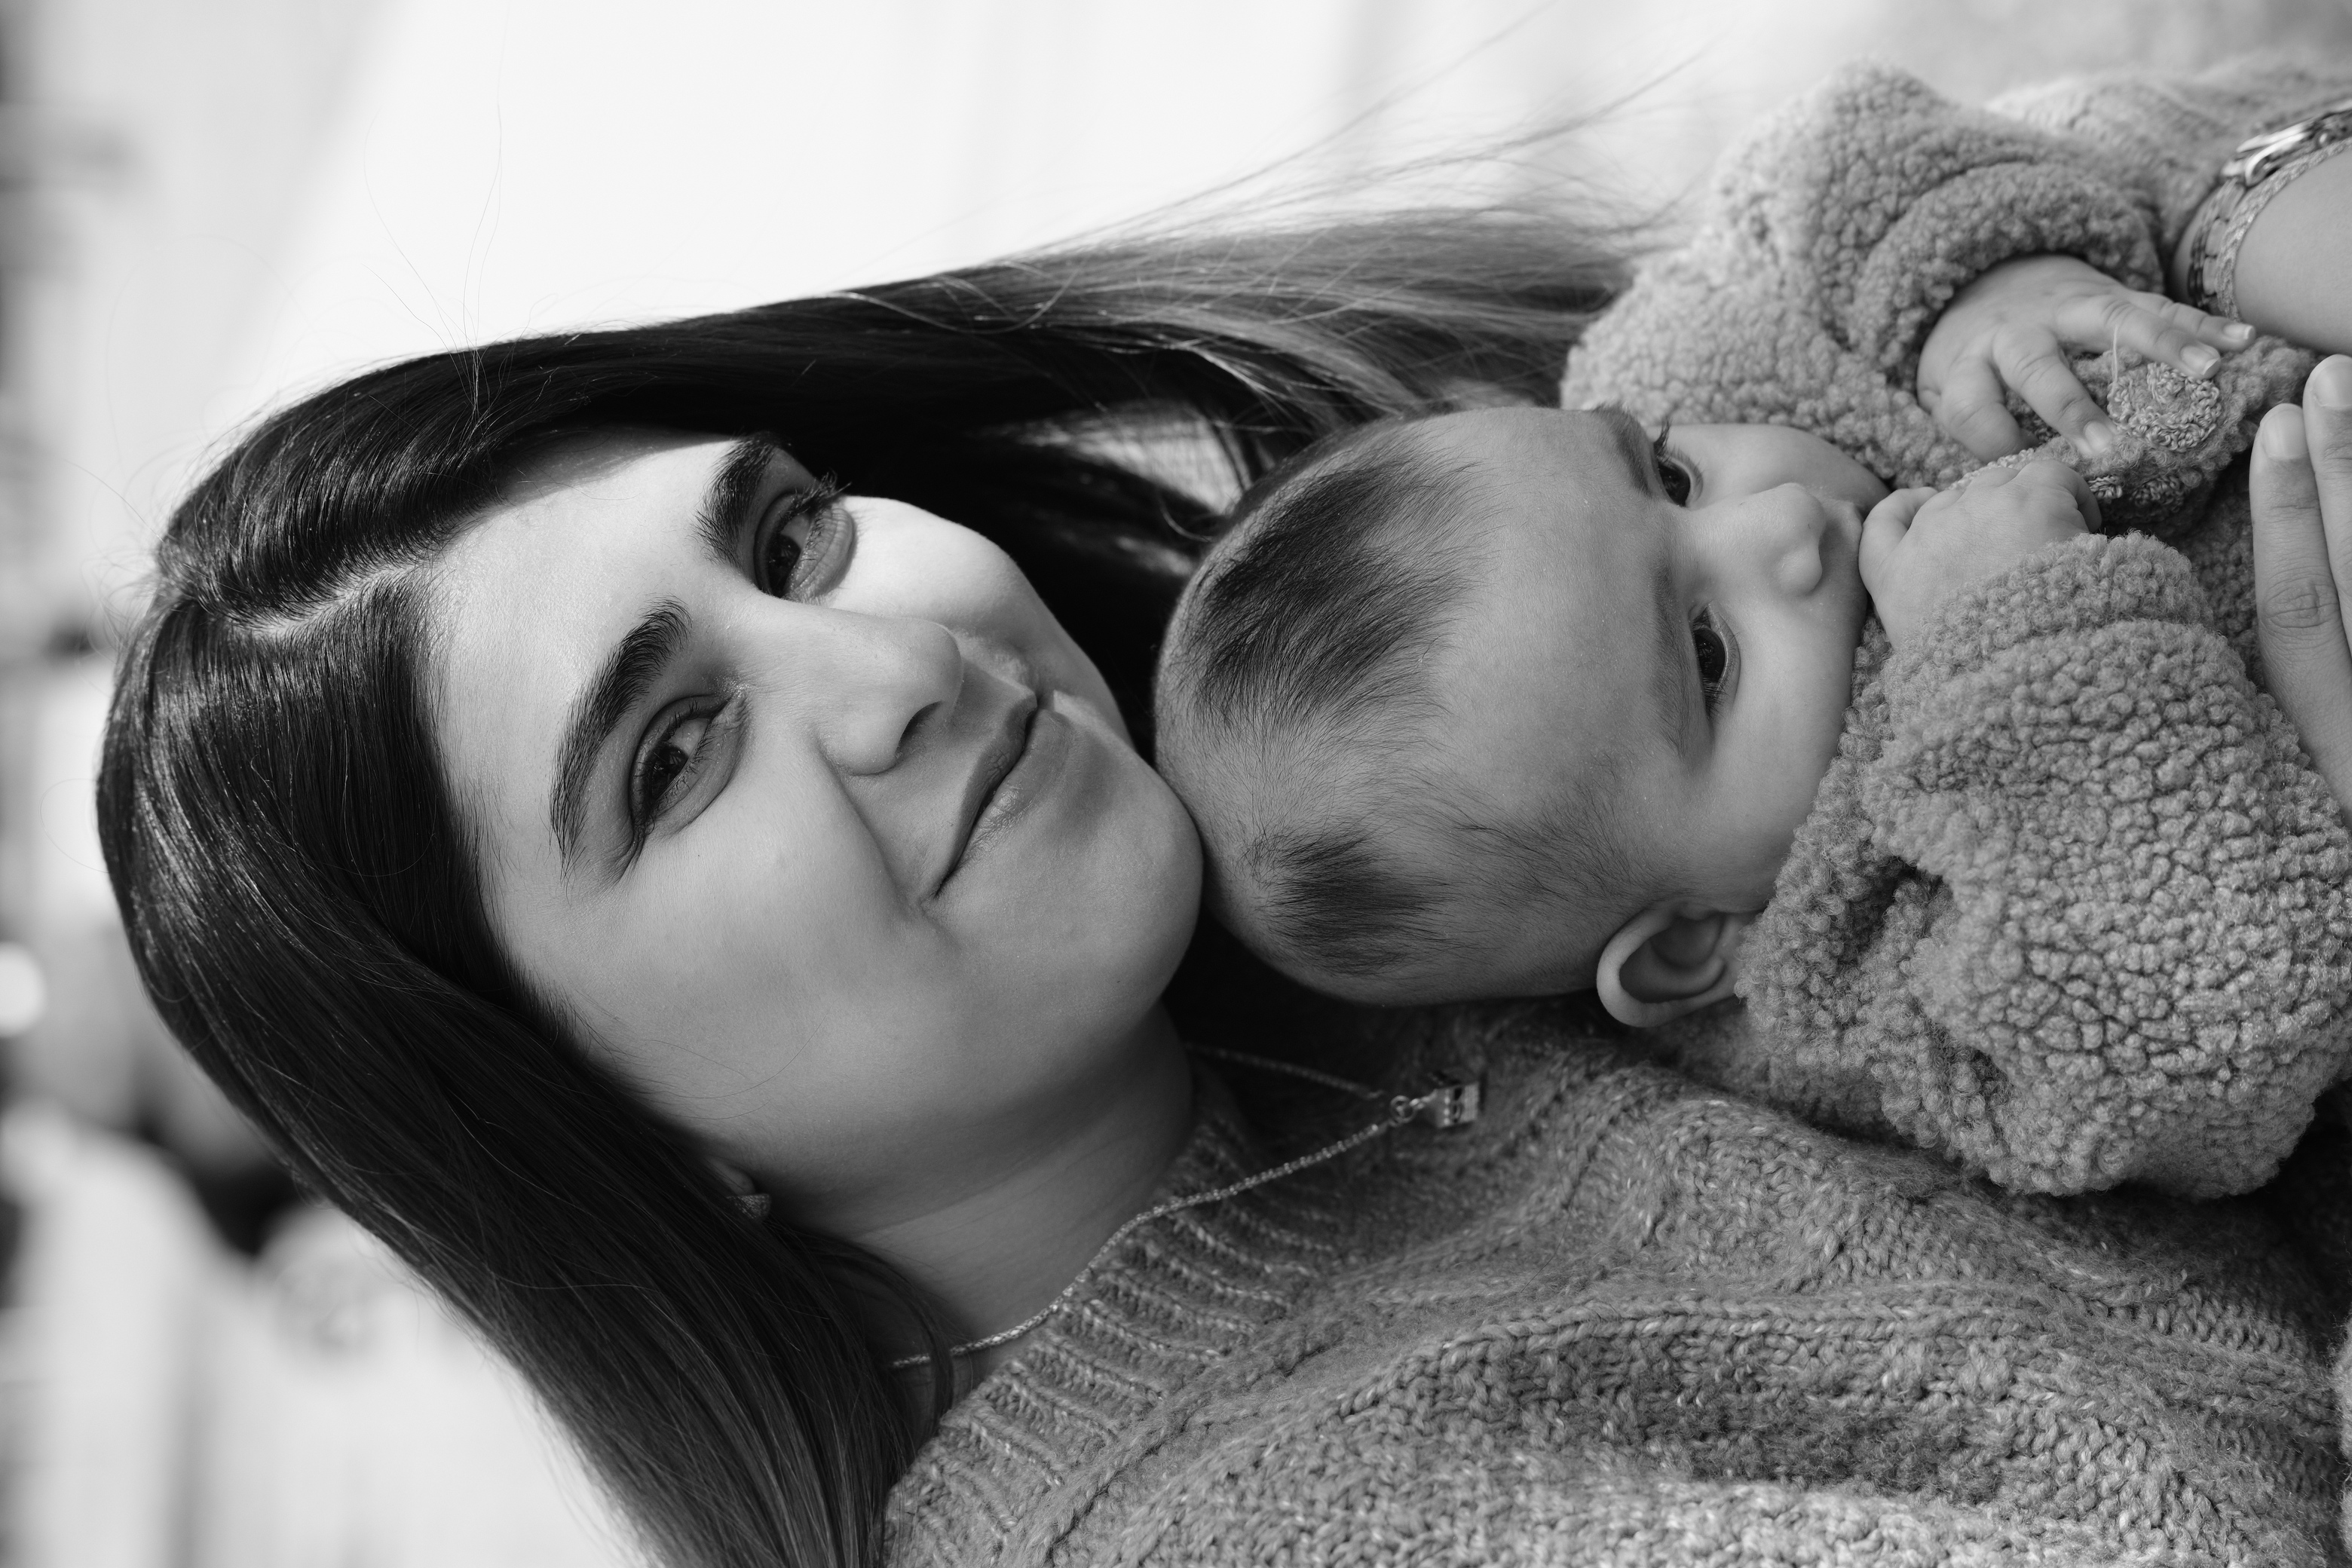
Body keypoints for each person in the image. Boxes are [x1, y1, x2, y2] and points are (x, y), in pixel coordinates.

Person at [94, 65, 2351, 1568]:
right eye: (673, 761)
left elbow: (1993, 189)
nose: (899, 663)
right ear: (591, 1136)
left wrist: (2199, 242)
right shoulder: (1247, 1518)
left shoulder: (1438, 745)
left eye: (789, 542)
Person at [1153, 59, 2352, 1201]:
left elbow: (1823, 155)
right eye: (1711, 654)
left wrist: (1979, 286)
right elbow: (2185, 1051)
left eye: (1670, 479)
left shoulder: (1703, 358)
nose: (1786, 523)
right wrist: (2026, 641)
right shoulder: (1861, 963)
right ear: (1690, 943)